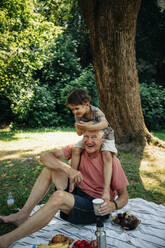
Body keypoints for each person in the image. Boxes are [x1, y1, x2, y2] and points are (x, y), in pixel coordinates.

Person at [0, 130, 128, 248]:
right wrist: (68, 169)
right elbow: (45, 157)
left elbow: (124, 196)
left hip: (95, 208)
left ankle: (6, 240)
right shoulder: (78, 149)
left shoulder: (111, 161)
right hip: (77, 193)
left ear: (102, 138)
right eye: (86, 136)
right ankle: (23, 215)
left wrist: (113, 206)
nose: (89, 141)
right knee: (50, 168)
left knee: (59, 196)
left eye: (94, 137)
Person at [66, 88, 117, 201]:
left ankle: (106, 189)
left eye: (77, 108)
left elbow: (104, 124)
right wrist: (79, 127)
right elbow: (79, 134)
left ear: (87, 104)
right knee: (76, 149)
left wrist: (88, 126)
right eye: (72, 110)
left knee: (107, 155)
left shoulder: (96, 111)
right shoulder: (78, 115)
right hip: (89, 138)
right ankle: (72, 180)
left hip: (106, 137)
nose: (75, 112)